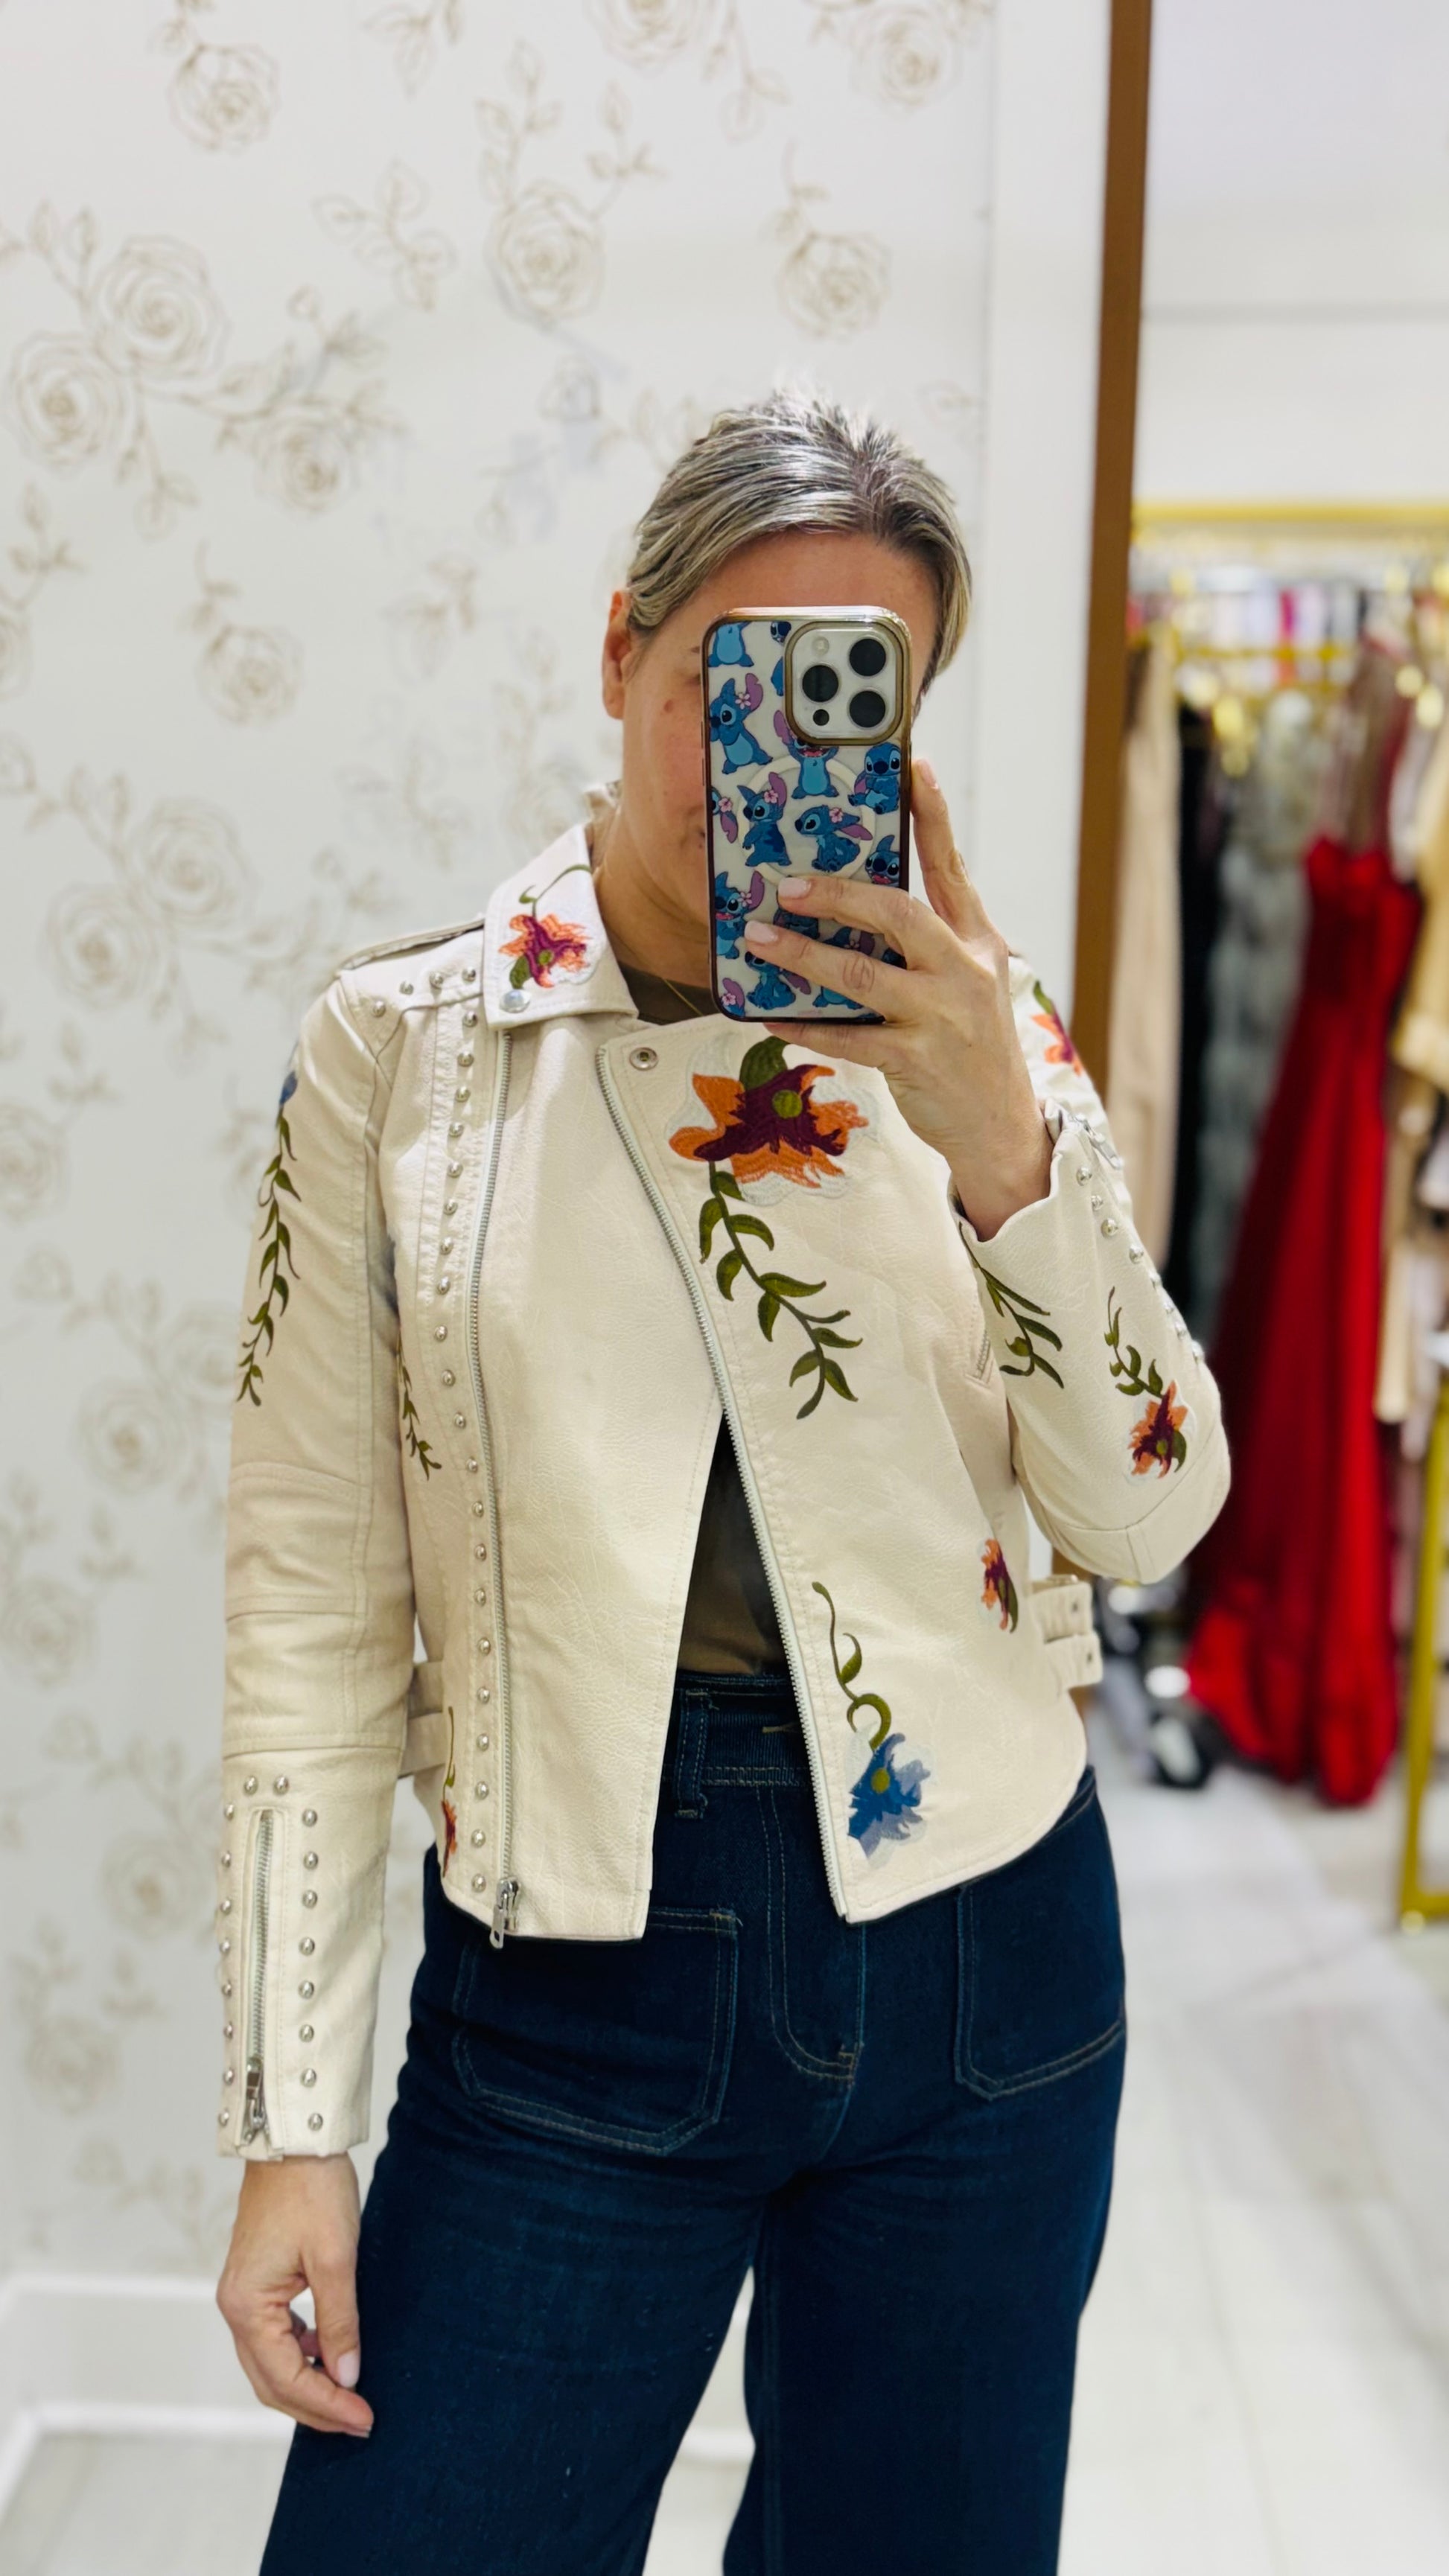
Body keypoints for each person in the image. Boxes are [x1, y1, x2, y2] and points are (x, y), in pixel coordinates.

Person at [214, 392, 1229, 2575]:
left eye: (852, 693)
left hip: (989, 1964)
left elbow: (1149, 1516)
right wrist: (292, 2122)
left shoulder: (989, 1042)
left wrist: (1003, 1150)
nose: (768, 752)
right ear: (619, 650)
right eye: (727, 680)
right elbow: (308, 1602)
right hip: (576, 1972)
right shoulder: (404, 1053)